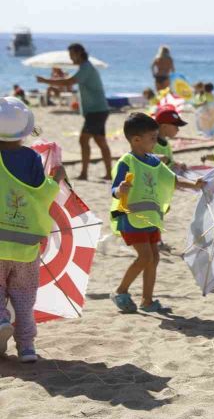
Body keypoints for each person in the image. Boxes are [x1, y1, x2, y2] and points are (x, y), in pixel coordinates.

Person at [110, 113, 203, 314]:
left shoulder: (154, 162)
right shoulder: (127, 161)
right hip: (131, 218)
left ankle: (147, 300)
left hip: (151, 219)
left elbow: (172, 180)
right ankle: (121, 291)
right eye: (152, 138)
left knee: (154, 257)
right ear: (136, 140)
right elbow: (115, 188)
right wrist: (120, 190)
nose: (156, 142)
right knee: (144, 257)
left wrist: (194, 185)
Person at [0, 97, 66, 363]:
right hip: (26, 244)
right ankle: (26, 347)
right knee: (25, 298)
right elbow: (41, 194)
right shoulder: (30, 157)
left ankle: (2, 320)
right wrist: (57, 179)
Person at [37, 43, 112, 180]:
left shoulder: (86, 67)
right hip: (98, 110)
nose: (71, 58)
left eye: (72, 54)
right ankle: (107, 173)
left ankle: (85, 173)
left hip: (96, 111)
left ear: (78, 53)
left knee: (84, 140)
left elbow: (68, 82)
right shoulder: (85, 67)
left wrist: (45, 80)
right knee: (100, 141)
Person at [153, 106, 188, 172]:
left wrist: (177, 163)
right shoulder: (152, 144)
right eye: (176, 126)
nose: (178, 129)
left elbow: (169, 161)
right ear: (164, 126)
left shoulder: (165, 142)